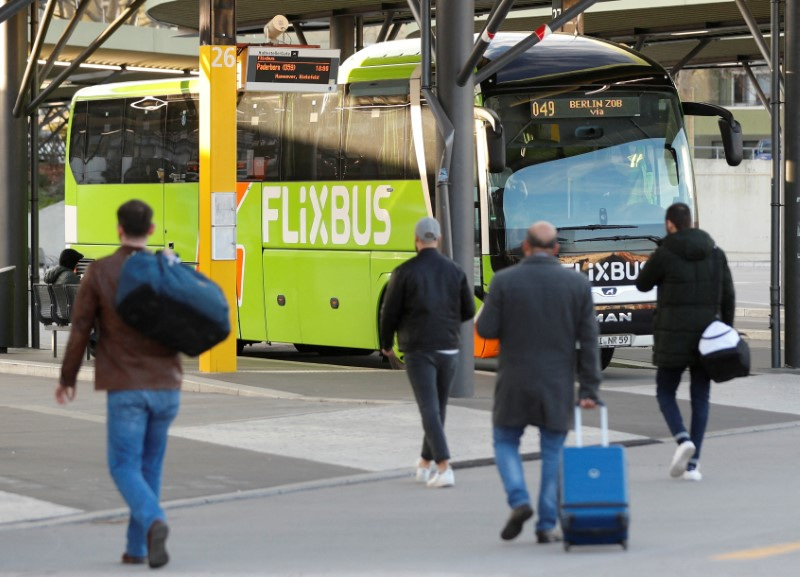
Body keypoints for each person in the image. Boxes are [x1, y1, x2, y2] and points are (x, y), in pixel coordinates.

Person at [55, 200, 182, 568]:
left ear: (118, 230)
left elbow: (80, 328)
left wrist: (67, 378)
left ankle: (155, 519)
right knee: (149, 467)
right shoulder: (165, 268)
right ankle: (138, 549)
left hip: (126, 385)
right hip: (167, 384)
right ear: (152, 231)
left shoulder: (101, 272)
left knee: (123, 466)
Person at [476, 221, 601, 544]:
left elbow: (486, 330)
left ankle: (518, 500)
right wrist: (589, 389)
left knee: (504, 440)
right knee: (553, 451)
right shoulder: (576, 285)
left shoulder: (504, 281)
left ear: (526, 247)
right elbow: (589, 341)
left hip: (514, 380)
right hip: (557, 382)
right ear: (556, 248)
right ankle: (547, 524)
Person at [635, 202, 735, 482]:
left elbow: (642, 284)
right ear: (691, 222)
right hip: (707, 338)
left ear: (670, 224)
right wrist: (725, 332)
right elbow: (728, 296)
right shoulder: (716, 253)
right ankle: (693, 465)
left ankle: (682, 438)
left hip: (673, 337)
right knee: (700, 396)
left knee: (666, 391)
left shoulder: (665, 253)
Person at [380, 216, 475, 488]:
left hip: (419, 349)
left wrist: (386, 344)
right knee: (437, 407)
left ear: (416, 240)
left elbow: (389, 313)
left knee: (428, 408)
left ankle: (444, 466)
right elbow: (468, 310)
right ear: (439, 239)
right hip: (448, 347)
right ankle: (425, 462)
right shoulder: (455, 271)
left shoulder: (404, 272)